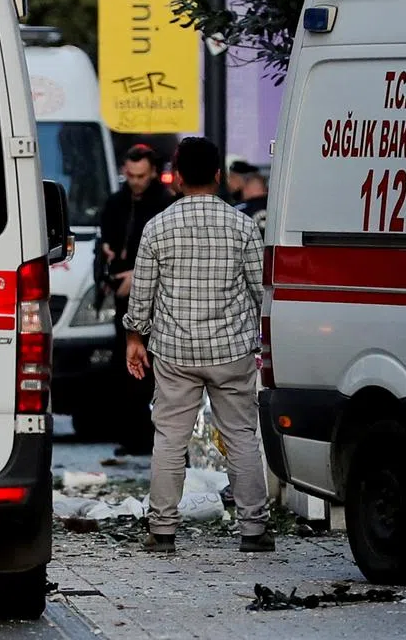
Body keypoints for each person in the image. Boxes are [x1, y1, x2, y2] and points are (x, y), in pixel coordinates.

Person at [122, 136, 273, 554]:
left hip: (174, 353)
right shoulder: (242, 226)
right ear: (219, 176)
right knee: (242, 436)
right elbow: (260, 292)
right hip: (232, 352)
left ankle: (163, 530)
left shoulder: (158, 227)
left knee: (170, 439)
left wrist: (135, 337)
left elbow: (142, 297)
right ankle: (254, 530)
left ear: (177, 176)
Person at [95, 143, 175, 455]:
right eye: (131, 175)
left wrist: (136, 277)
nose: (136, 182)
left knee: (155, 368)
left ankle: (153, 436)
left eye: (141, 176)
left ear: (153, 172)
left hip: (156, 301)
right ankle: (132, 435)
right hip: (122, 296)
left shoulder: (163, 205)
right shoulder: (117, 203)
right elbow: (106, 243)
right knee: (126, 367)